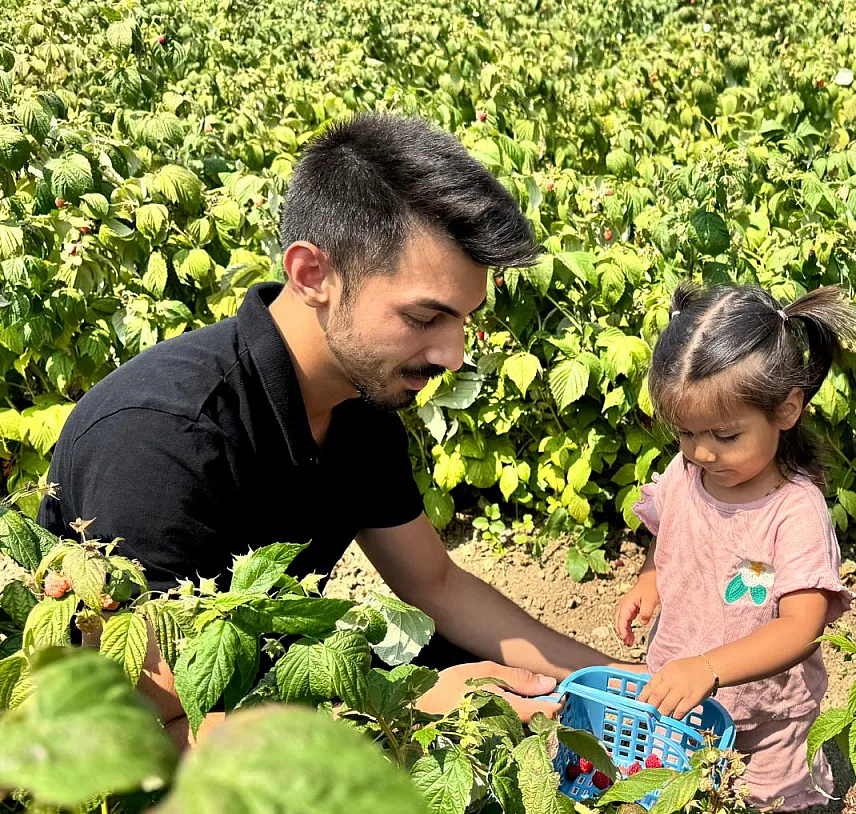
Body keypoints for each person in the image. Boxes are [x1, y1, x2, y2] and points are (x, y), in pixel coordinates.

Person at [39, 113, 611, 746]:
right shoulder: (162, 441)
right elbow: (157, 719)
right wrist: (400, 707)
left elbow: (434, 583)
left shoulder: (360, 407)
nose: (453, 354)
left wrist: (613, 678)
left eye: (464, 319)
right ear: (313, 275)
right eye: (426, 317)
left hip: (276, 689)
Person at [614, 281, 854, 814]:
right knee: (686, 810)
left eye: (724, 435)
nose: (701, 451)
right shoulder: (687, 473)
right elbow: (669, 536)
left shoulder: (793, 511)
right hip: (684, 695)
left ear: (787, 409)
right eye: (687, 434)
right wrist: (650, 580)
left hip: (765, 714)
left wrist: (711, 667)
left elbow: (801, 627)